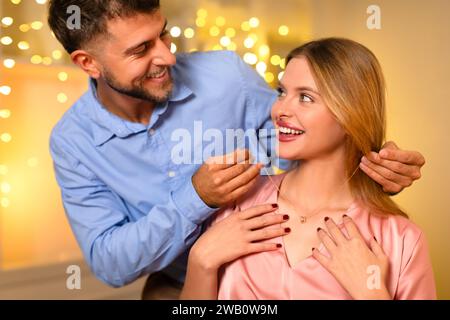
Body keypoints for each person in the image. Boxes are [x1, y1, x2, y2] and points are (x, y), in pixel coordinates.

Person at [48, 0, 426, 299]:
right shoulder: (73, 143)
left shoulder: (226, 76)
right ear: (88, 62)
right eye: (141, 49)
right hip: (179, 283)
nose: (167, 56)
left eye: (164, 35)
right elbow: (111, 263)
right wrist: (197, 207)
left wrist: (373, 163)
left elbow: (304, 136)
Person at [181, 38, 436, 300]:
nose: (280, 109)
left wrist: (371, 293)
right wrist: (201, 261)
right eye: (281, 92)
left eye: (305, 97)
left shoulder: (399, 238)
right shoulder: (236, 204)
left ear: (351, 113)